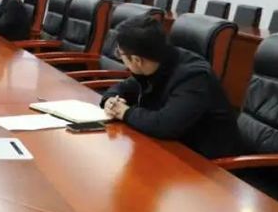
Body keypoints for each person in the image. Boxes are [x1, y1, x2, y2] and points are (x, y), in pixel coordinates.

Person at [100, 15, 239, 159]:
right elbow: (123, 87)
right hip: (171, 147)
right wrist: (110, 100)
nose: (120, 58)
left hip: (205, 161)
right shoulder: (155, 61)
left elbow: (164, 125)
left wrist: (125, 112)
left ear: (136, 60)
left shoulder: (193, 76)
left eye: (119, 54)